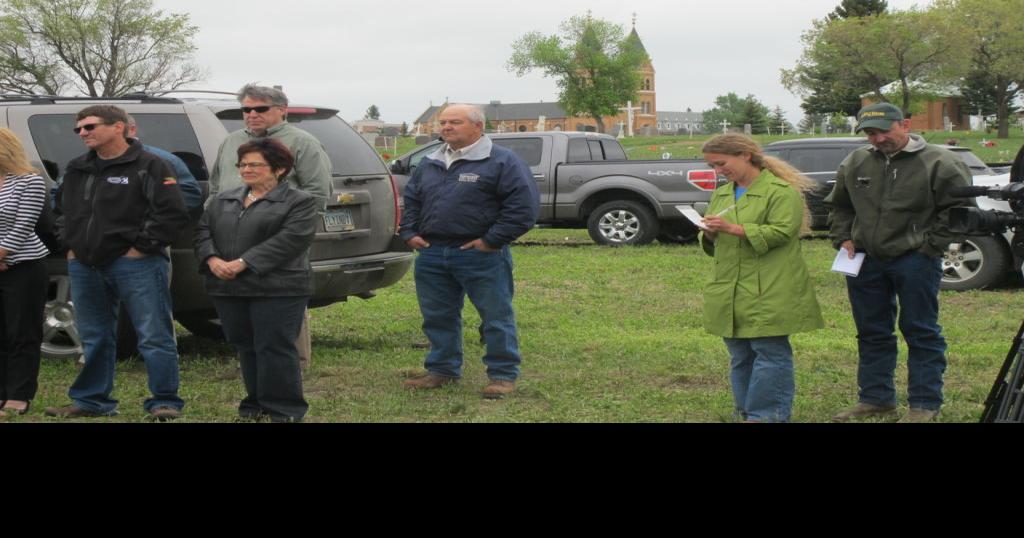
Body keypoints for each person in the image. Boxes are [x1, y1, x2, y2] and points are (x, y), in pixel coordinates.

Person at [827, 102, 972, 423]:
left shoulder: (940, 162)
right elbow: (840, 205)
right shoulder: (856, 161)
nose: (877, 139)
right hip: (864, 260)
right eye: (870, 133)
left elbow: (960, 210)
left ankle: (924, 404)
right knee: (871, 331)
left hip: (915, 260)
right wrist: (843, 237)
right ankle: (876, 399)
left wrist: (929, 246)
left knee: (920, 330)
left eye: (883, 131)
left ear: (905, 125)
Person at [45, 105, 189, 420]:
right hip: (85, 265)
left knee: (153, 334)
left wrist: (140, 248)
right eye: (79, 128)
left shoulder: (151, 165)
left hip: (137, 264)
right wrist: (70, 245)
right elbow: (61, 210)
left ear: (118, 127)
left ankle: (165, 401)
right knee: (94, 335)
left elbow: (171, 212)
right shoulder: (78, 167)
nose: (83, 133)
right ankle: (91, 401)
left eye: (90, 126)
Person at [399, 104, 539, 398]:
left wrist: (491, 241)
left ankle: (502, 375)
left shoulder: (502, 161)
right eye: (443, 122)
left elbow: (523, 208)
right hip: (433, 254)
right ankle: (442, 370)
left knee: (495, 316)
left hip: (481, 255)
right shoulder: (430, 161)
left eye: (455, 122)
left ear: (478, 126)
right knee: (437, 316)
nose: (446, 127)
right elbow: (412, 199)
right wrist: (409, 232)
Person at [699, 133, 823, 423]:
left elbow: (782, 231)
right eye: (712, 166)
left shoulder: (781, 192)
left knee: (769, 352)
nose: (718, 171)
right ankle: (746, 411)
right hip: (730, 287)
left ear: (745, 155)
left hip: (770, 286)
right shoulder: (723, 193)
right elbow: (713, 240)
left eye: (721, 163)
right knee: (740, 354)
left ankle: (768, 415)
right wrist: (709, 232)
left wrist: (732, 229)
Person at [206, 84, 332, 367]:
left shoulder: (303, 142)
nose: (252, 114)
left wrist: (291, 229)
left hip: (279, 239)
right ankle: (251, 363)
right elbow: (216, 188)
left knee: (281, 301)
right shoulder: (231, 141)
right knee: (243, 304)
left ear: (281, 110)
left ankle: (291, 363)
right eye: (246, 109)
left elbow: (317, 193)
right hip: (233, 235)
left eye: (260, 108)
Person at [195, 139, 316, 422]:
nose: (246, 169)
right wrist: (212, 259)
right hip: (229, 287)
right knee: (245, 345)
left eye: (255, 165)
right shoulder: (224, 199)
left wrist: (244, 262)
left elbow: (291, 240)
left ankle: (285, 410)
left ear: (279, 169)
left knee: (274, 347)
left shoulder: (300, 201)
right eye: (242, 164)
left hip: (279, 287)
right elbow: (202, 231)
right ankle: (256, 404)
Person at [0, 128, 50, 417]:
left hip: (24, 266)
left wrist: (3, 253)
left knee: (22, 332)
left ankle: (19, 395)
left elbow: (24, 225)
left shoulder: (29, 180)